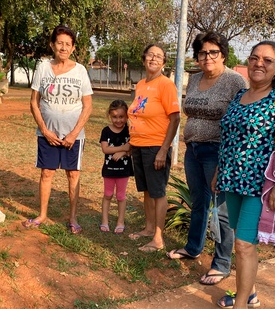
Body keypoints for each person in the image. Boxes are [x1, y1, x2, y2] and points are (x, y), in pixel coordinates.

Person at [212, 41, 275, 308]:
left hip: (259, 185)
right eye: (254, 58)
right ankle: (249, 293)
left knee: (243, 245)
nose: (259, 63)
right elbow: (228, 138)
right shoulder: (239, 95)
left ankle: (241, 303)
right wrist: (219, 171)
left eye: (267, 60)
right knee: (243, 239)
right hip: (232, 180)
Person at [166, 32, 247, 286]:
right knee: (199, 202)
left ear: (223, 54)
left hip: (218, 151)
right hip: (194, 150)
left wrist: (227, 158)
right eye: (202, 52)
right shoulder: (195, 78)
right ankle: (193, 247)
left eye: (213, 52)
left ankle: (221, 264)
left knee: (222, 209)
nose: (208, 57)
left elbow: (240, 120)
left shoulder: (235, 81)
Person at [23, 25, 93, 234]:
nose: (63, 47)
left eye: (68, 44)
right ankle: (43, 214)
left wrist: (73, 134)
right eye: (60, 43)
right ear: (52, 45)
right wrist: (44, 130)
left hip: (74, 136)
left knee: (73, 175)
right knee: (47, 173)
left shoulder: (80, 70)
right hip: (48, 134)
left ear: (73, 48)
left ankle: (73, 218)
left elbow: (88, 105)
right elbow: (34, 103)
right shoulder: (43, 68)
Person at [127, 44, 180, 252]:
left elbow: (175, 118)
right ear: (143, 59)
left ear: (164, 63)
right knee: (147, 190)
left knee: (158, 192)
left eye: (159, 56)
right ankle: (148, 229)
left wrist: (163, 150)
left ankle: (158, 238)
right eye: (150, 55)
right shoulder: (140, 84)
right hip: (139, 146)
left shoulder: (166, 84)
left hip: (155, 146)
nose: (154, 59)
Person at [99, 100, 133, 234]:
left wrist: (124, 152)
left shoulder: (130, 130)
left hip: (123, 171)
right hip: (109, 170)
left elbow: (132, 148)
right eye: (114, 117)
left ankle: (120, 221)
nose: (118, 120)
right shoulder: (106, 131)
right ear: (109, 116)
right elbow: (105, 149)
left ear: (127, 116)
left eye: (121, 117)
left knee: (121, 196)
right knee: (107, 194)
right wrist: (122, 148)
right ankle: (105, 221)